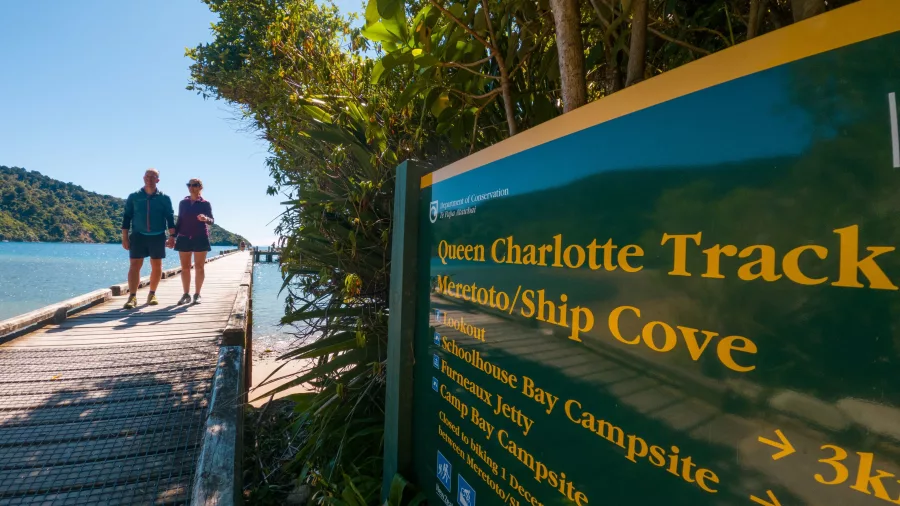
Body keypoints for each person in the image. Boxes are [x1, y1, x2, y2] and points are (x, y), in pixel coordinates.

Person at [121, 168, 176, 309]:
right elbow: (127, 217)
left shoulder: (164, 198)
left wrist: (172, 236)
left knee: (157, 266)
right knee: (134, 266)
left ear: (158, 180)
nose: (150, 179)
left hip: (157, 235)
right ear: (143, 178)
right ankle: (132, 297)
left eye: (153, 177)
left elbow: (170, 218)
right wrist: (125, 238)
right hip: (138, 235)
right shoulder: (134, 196)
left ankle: (152, 293)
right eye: (147, 176)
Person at [174, 178, 214, 305]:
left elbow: (212, 220)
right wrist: (172, 236)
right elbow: (179, 221)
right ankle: (186, 294)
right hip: (184, 237)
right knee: (185, 268)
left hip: (200, 237)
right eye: (189, 185)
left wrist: (205, 218)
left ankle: (197, 294)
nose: (191, 187)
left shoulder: (205, 204)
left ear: (200, 187)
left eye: (194, 185)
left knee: (199, 267)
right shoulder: (183, 203)